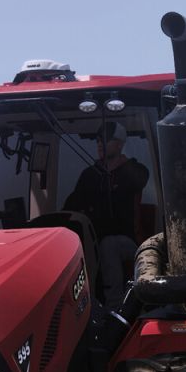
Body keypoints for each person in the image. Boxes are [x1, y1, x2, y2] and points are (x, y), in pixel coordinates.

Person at [63, 122, 150, 308]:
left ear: (119, 144)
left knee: (109, 244)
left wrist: (115, 168)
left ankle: (115, 307)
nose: (100, 144)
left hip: (129, 240)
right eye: (97, 141)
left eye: (105, 140)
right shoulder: (90, 174)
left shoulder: (136, 171)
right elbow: (71, 205)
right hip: (93, 239)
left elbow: (138, 180)